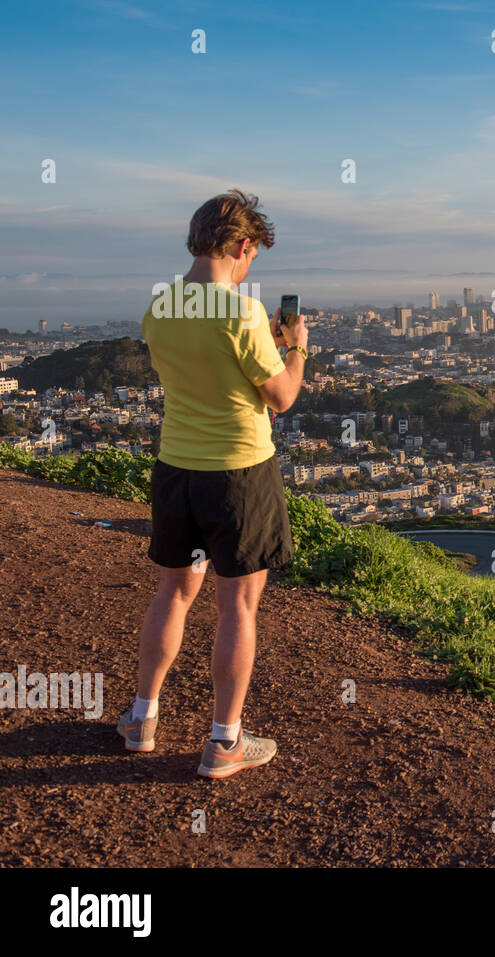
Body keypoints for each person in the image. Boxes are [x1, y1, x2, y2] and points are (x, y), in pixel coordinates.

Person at [116, 189, 309, 779]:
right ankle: (225, 741)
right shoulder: (244, 313)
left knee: (173, 592)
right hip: (239, 475)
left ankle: (142, 719)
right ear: (242, 246)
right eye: (252, 257)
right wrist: (296, 348)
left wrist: (260, 350)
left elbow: (203, 372)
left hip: (177, 470)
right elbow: (279, 398)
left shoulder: (160, 308)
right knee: (238, 607)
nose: (251, 268)